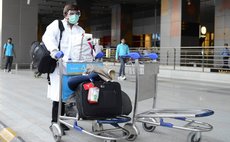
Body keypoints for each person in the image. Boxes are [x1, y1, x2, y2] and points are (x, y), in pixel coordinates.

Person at [42, 3, 93, 132]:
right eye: (72, 13)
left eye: (77, 13)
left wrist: (94, 52)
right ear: (65, 15)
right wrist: (54, 50)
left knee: (70, 95)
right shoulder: (57, 25)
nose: (75, 16)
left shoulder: (79, 30)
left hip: (74, 67)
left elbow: (86, 45)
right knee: (58, 95)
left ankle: (64, 120)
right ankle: (55, 122)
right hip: (59, 64)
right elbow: (47, 37)